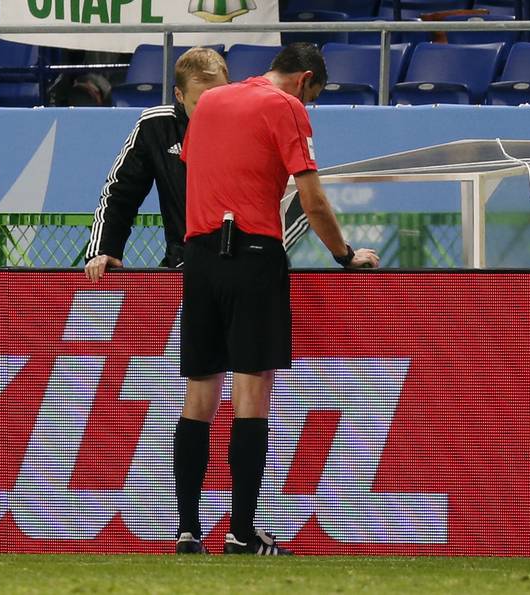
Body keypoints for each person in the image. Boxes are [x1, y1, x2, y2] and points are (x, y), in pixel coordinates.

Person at [174, 42, 380, 556]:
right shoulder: (284, 106)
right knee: (251, 395)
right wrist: (344, 253)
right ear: (304, 80)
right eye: (312, 96)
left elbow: (197, 172)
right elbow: (311, 197)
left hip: (197, 257)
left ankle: (187, 532)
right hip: (253, 254)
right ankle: (242, 533)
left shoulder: (212, 102)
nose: (308, 106)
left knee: (198, 396)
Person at [84, 47, 228, 279]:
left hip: (243, 266)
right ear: (179, 96)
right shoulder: (156, 126)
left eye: (221, 99)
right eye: (201, 103)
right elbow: (120, 193)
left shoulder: (249, 122)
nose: (213, 111)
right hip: (184, 265)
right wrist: (104, 249)